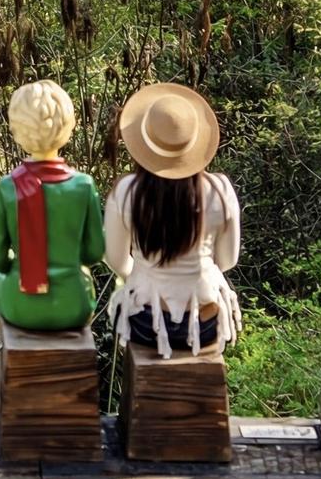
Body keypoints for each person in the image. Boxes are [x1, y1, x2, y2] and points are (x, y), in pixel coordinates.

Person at [103, 82, 241, 357]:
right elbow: (227, 261)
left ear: (143, 143)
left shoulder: (126, 191)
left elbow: (117, 262)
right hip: (203, 323)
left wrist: (146, 271)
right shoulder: (220, 190)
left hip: (145, 322)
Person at [0, 80, 105, 333]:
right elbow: (94, 252)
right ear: (68, 126)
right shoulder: (83, 185)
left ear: (17, 130)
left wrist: (21, 264)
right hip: (73, 304)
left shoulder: (8, 186)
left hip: (20, 305)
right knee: (83, 276)